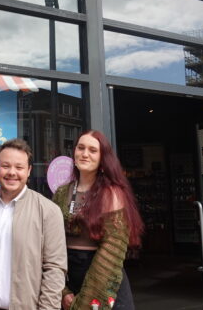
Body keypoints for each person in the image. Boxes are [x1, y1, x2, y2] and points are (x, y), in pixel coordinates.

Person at [0, 138, 67, 310]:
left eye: (19, 167)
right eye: (5, 166)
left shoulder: (48, 211)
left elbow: (54, 269)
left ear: (28, 171)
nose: (12, 172)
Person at [52, 130, 144, 310]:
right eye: (81, 148)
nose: (85, 154)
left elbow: (112, 249)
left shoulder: (112, 194)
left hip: (103, 276)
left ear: (103, 159)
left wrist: (86, 300)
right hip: (69, 278)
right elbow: (50, 244)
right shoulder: (62, 193)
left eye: (93, 150)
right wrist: (63, 290)